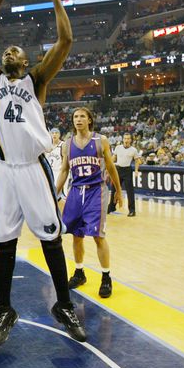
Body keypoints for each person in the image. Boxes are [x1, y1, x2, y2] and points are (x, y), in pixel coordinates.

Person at [0, 0, 86, 347]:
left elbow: (66, 42)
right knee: (5, 242)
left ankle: (64, 304)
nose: (9, 50)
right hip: (3, 170)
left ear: (25, 61)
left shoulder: (37, 79)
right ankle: (4, 308)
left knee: (51, 239)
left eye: (16, 50)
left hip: (34, 169)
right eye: (6, 49)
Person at [56, 107, 123, 299]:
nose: (78, 119)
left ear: (89, 120)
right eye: (75, 117)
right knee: (76, 236)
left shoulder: (100, 140)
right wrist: (55, 192)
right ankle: (79, 272)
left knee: (98, 236)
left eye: (82, 116)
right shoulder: (67, 144)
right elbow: (64, 170)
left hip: (96, 191)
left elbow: (110, 166)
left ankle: (106, 277)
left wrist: (118, 191)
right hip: (76, 192)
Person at [108, 133, 141, 217]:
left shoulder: (133, 150)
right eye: (125, 138)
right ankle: (111, 207)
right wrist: (109, 166)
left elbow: (137, 161)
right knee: (114, 190)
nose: (126, 140)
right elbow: (114, 158)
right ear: (123, 139)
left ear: (130, 140)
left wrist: (136, 170)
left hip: (127, 170)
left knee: (130, 191)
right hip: (118, 169)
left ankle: (132, 210)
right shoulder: (118, 148)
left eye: (128, 138)